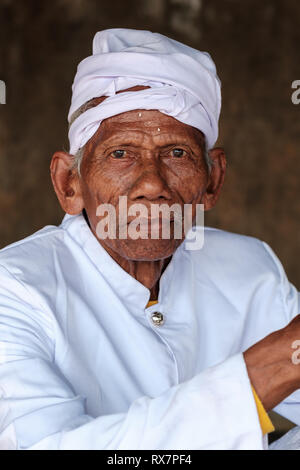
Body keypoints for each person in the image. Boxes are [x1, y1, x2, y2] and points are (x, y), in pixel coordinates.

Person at [0, 28, 299, 450]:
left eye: (177, 153)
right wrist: (271, 368)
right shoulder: (14, 289)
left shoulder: (252, 268)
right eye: (120, 153)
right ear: (70, 183)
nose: (152, 184)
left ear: (213, 179)